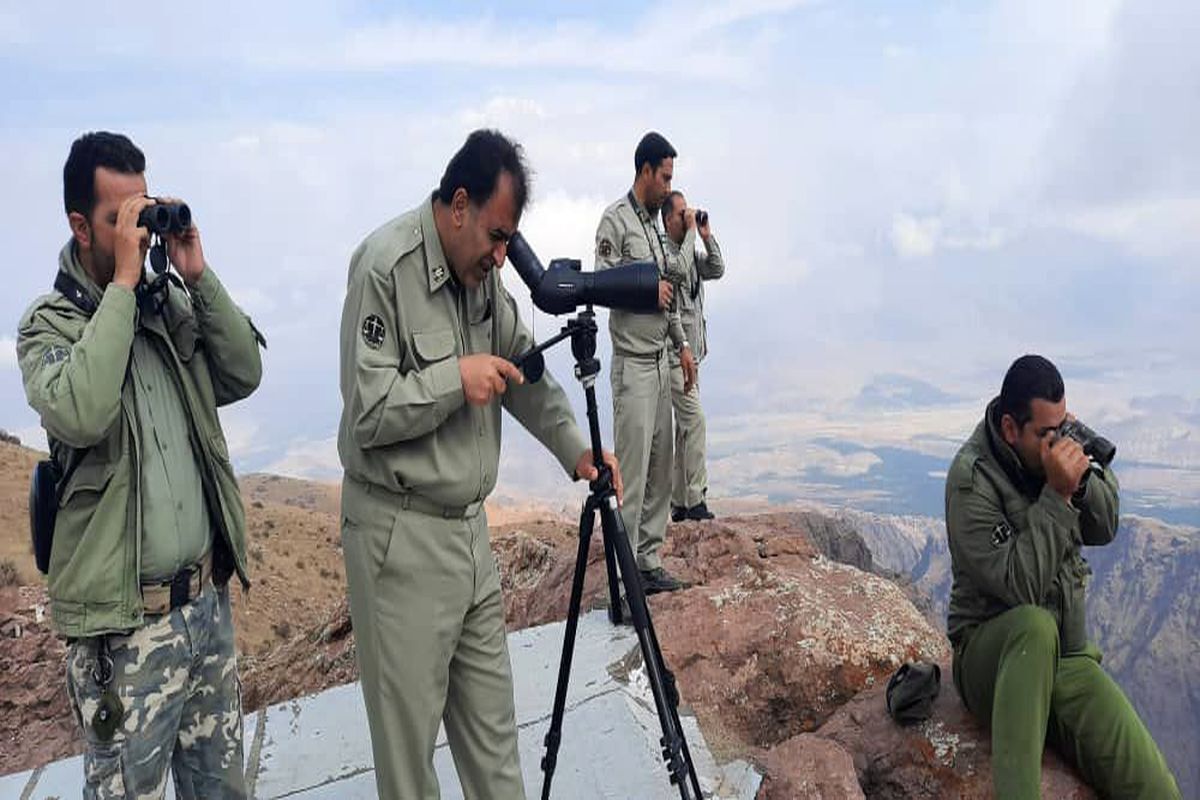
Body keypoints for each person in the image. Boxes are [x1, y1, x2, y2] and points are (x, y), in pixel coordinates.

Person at [337, 129, 622, 799]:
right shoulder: (385, 266)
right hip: (398, 540)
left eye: (509, 242)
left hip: (469, 536)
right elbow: (367, 413)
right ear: (457, 204)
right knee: (409, 763)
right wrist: (451, 379)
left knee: (494, 743)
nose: (502, 257)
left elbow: (527, 371)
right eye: (497, 237)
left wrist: (575, 450)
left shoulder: (484, 280)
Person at [17, 131, 264, 798]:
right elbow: (83, 412)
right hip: (127, 637)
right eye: (119, 220)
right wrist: (124, 284)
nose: (138, 235)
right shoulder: (49, 326)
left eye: (143, 214)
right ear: (80, 224)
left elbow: (243, 372)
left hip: (205, 610)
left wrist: (197, 276)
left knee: (224, 791)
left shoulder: (167, 304)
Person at [945, 354, 1179, 799]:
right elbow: (1020, 588)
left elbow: (1105, 527)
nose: (1057, 443)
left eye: (1063, 426)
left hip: (1065, 659)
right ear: (1011, 429)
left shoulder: (1047, 457)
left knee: (1155, 788)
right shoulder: (971, 480)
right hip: (994, 661)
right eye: (1045, 434)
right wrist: (1057, 494)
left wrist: (1083, 480)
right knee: (1033, 625)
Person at [594, 132, 694, 595]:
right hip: (632, 365)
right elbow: (602, 284)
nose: (668, 185)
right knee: (631, 477)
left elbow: (669, 293)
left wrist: (683, 345)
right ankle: (623, 575)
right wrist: (644, 291)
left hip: (659, 361)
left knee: (660, 469)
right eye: (666, 176)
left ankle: (648, 560)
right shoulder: (616, 221)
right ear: (646, 171)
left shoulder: (656, 227)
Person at [660, 190, 724, 522]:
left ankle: (681, 503)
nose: (688, 216)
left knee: (685, 429)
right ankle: (695, 497)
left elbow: (717, 268)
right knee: (695, 421)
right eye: (682, 213)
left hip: (691, 356)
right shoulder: (667, 255)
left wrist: (705, 236)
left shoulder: (690, 252)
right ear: (669, 219)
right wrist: (688, 238)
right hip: (674, 355)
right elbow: (680, 272)